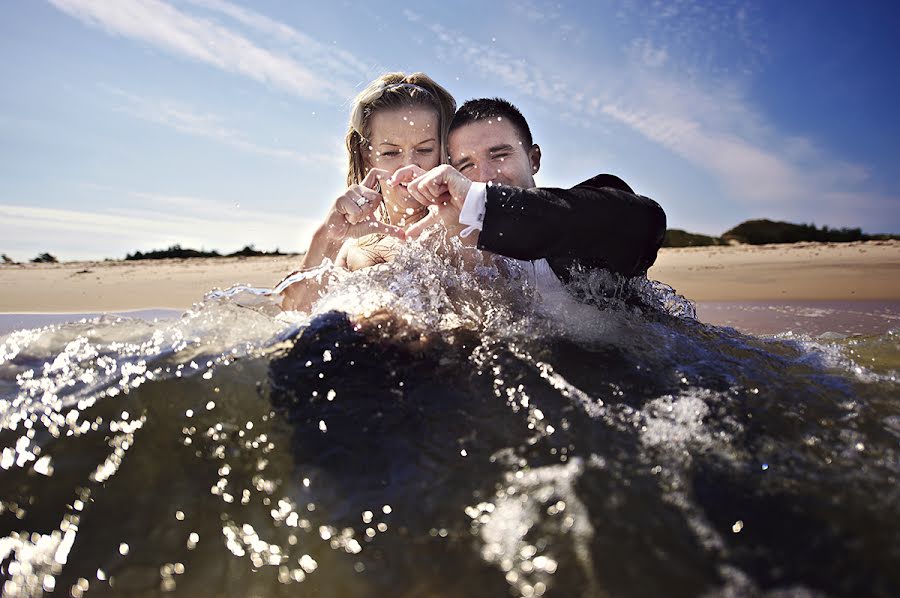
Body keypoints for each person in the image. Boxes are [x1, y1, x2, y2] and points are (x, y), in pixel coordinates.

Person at [394, 98, 666, 292]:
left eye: (499, 155)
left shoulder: (586, 210)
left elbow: (646, 223)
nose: (486, 175)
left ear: (533, 158)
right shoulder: (459, 254)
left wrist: (480, 202)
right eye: (466, 166)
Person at [279, 72, 456, 311]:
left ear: (443, 152)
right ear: (367, 157)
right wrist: (328, 239)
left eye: (424, 149)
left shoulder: (461, 234)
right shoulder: (353, 247)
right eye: (391, 153)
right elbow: (295, 317)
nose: (409, 166)